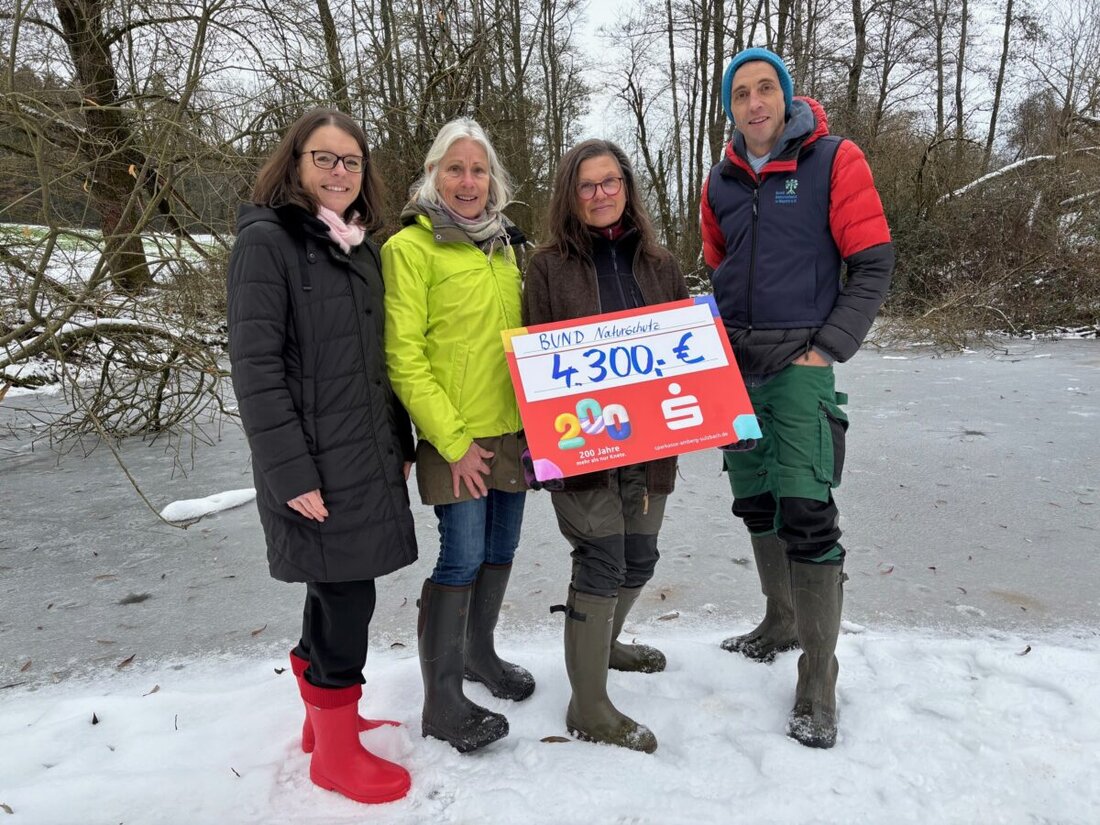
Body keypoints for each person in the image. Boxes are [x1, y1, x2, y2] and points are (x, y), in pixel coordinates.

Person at [700, 47, 894, 749]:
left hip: (800, 360)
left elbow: (872, 262)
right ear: (730, 107)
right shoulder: (720, 178)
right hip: (735, 367)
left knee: (808, 510)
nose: (754, 103)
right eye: (740, 93)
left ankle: (818, 675)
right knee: (756, 500)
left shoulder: (835, 160)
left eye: (764, 90)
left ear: (784, 97)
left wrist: (827, 347)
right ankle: (780, 619)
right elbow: (719, 262)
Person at [227, 109, 418, 803]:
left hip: (363, 450)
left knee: (332, 588)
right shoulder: (268, 242)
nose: (340, 172)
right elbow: (254, 367)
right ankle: (335, 754)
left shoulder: (359, 246)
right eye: (325, 158)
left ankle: (324, 723)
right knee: (347, 594)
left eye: (352, 161)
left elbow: (377, 358)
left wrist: (399, 437)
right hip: (311, 461)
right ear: (296, 162)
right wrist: (289, 472)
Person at [523, 140, 689, 753]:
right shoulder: (546, 269)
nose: (599, 194)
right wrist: (541, 447)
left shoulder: (661, 264)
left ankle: (605, 644)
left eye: (609, 182)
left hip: (651, 445)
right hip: (583, 444)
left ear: (626, 187)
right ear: (571, 194)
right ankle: (588, 705)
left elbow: (683, 358)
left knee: (640, 558)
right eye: (586, 185)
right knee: (601, 560)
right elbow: (538, 366)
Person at [381, 117, 532, 754]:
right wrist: (452, 443)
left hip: (513, 433)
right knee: (462, 556)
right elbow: (404, 359)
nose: (468, 181)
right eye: (455, 168)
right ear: (434, 176)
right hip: (456, 440)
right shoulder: (409, 250)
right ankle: (441, 700)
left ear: (492, 180)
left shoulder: (505, 248)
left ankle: (480, 655)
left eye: (478, 170)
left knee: (501, 549)